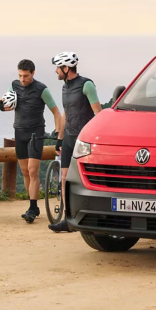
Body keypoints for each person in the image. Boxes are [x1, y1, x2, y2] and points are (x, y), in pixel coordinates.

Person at [2, 59, 63, 224]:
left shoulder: (41, 89)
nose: (22, 79)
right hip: (19, 131)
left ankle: (32, 207)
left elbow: (56, 112)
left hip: (36, 133)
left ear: (33, 73)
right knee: (25, 172)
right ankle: (33, 206)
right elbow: (7, 102)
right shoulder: (14, 85)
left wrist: (59, 135)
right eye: (20, 75)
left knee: (33, 170)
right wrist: (1, 106)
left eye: (26, 76)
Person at [48, 51, 102, 232]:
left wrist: (95, 139)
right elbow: (65, 114)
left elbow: (98, 114)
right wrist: (59, 138)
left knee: (86, 178)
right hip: (69, 138)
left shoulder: (86, 85)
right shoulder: (65, 87)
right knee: (64, 179)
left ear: (66, 68)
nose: (56, 71)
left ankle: (93, 216)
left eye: (58, 68)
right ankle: (67, 219)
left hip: (83, 141)